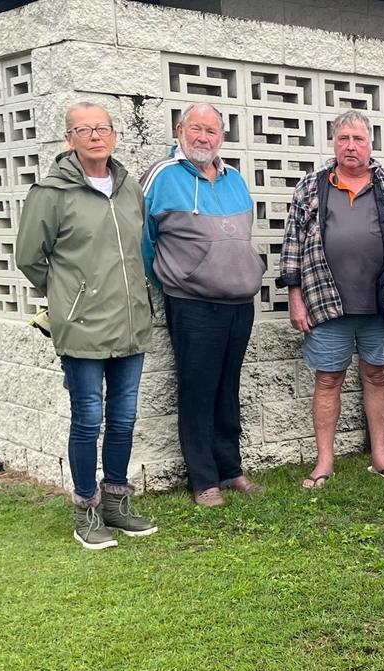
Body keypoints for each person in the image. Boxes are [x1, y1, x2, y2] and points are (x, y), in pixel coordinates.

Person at [15, 102, 157, 549]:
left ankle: (116, 505)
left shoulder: (129, 186)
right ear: (69, 139)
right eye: (84, 129)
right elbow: (28, 258)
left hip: (130, 322)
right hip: (81, 327)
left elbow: (138, 248)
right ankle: (86, 511)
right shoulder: (51, 193)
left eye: (102, 128)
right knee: (88, 418)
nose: (95, 136)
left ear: (113, 135)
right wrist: (67, 298)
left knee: (123, 418)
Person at [141, 102, 266, 508]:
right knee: (197, 389)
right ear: (180, 131)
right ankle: (203, 479)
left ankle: (230, 469)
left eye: (211, 131)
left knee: (228, 386)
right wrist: (173, 277)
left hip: (237, 303)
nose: (203, 138)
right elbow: (143, 240)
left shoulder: (234, 179)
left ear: (221, 138)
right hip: (192, 302)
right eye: (196, 129)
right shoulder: (163, 177)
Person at [278, 110, 384, 490]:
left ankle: (381, 456)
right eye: (343, 139)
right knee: (328, 379)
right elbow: (292, 245)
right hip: (325, 300)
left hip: (378, 303)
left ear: (371, 144)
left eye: (359, 139)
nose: (351, 146)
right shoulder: (310, 187)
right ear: (334, 144)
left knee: (377, 375)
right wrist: (295, 296)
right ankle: (324, 461)